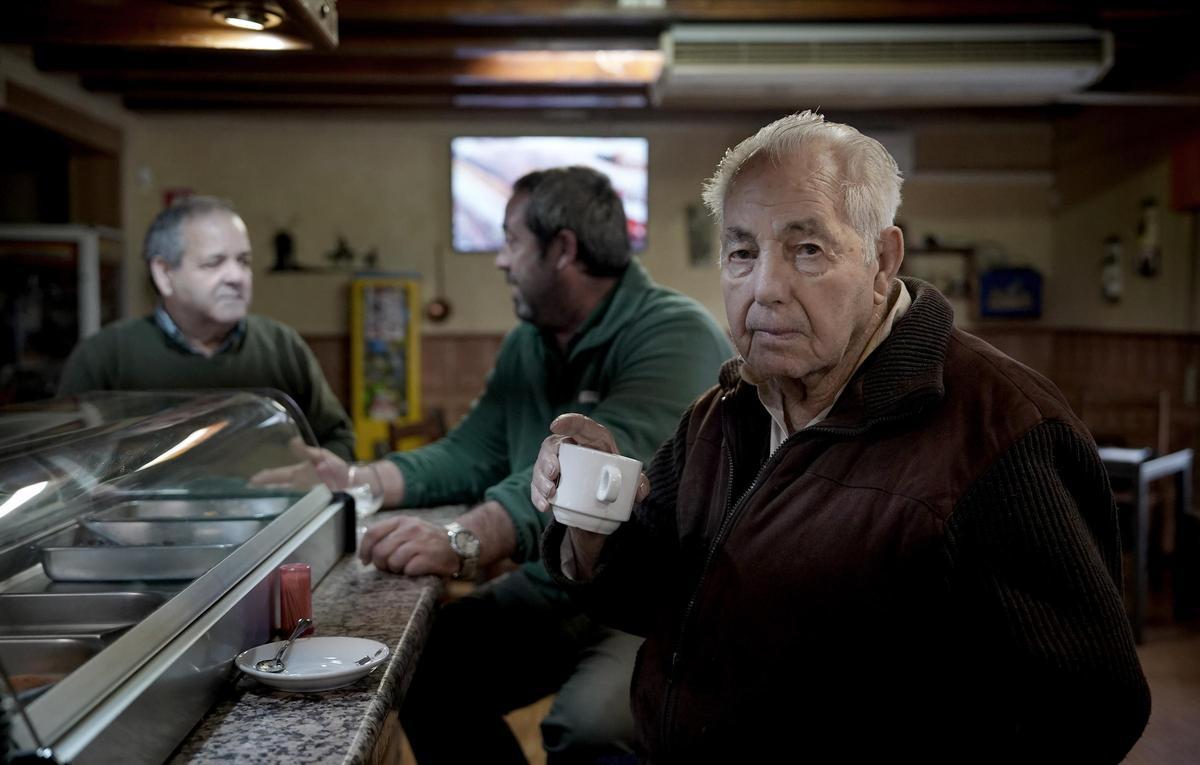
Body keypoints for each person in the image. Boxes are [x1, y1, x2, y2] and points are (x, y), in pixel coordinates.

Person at [531, 112, 1151, 763]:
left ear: (882, 261)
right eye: (742, 253)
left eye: (807, 250)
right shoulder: (723, 413)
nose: (765, 289)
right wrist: (591, 513)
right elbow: (651, 598)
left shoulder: (1001, 433)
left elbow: (1092, 710)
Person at [266, 166, 732, 764]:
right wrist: (360, 479)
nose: (500, 260)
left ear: (562, 249)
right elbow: (472, 449)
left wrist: (462, 539)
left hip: (652, 603)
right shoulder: (530, 342)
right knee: (424, 666)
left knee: (587, 728)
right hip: (558, 584)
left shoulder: (674, 332)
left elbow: (590, 480)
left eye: (511, 240)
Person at [57, 196, 355, 460]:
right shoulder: (105, 357)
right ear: (164, 274)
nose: (236, 277)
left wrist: (314, 472)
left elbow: (339, 441)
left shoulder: (281, 345)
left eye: (244, 261)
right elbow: (64, 462)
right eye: (214, 263)